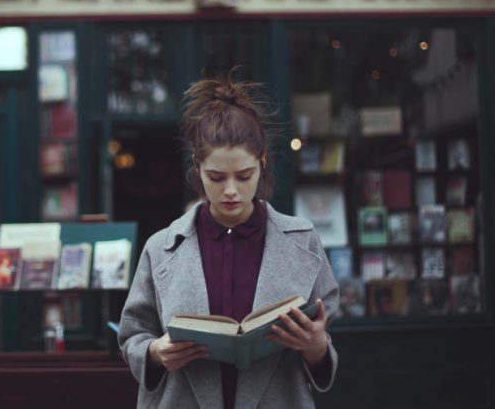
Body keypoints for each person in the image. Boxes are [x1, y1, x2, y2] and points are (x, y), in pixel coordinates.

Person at [118, 75, 339, 409]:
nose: (231, 190)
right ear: (197, 167)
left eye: (245, 176)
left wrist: (315, 345)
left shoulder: (302, 240)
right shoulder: (161, 247)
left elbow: (325, 340)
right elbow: (133, 336)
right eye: (216, 178)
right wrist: (155, 352)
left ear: (262, 162)